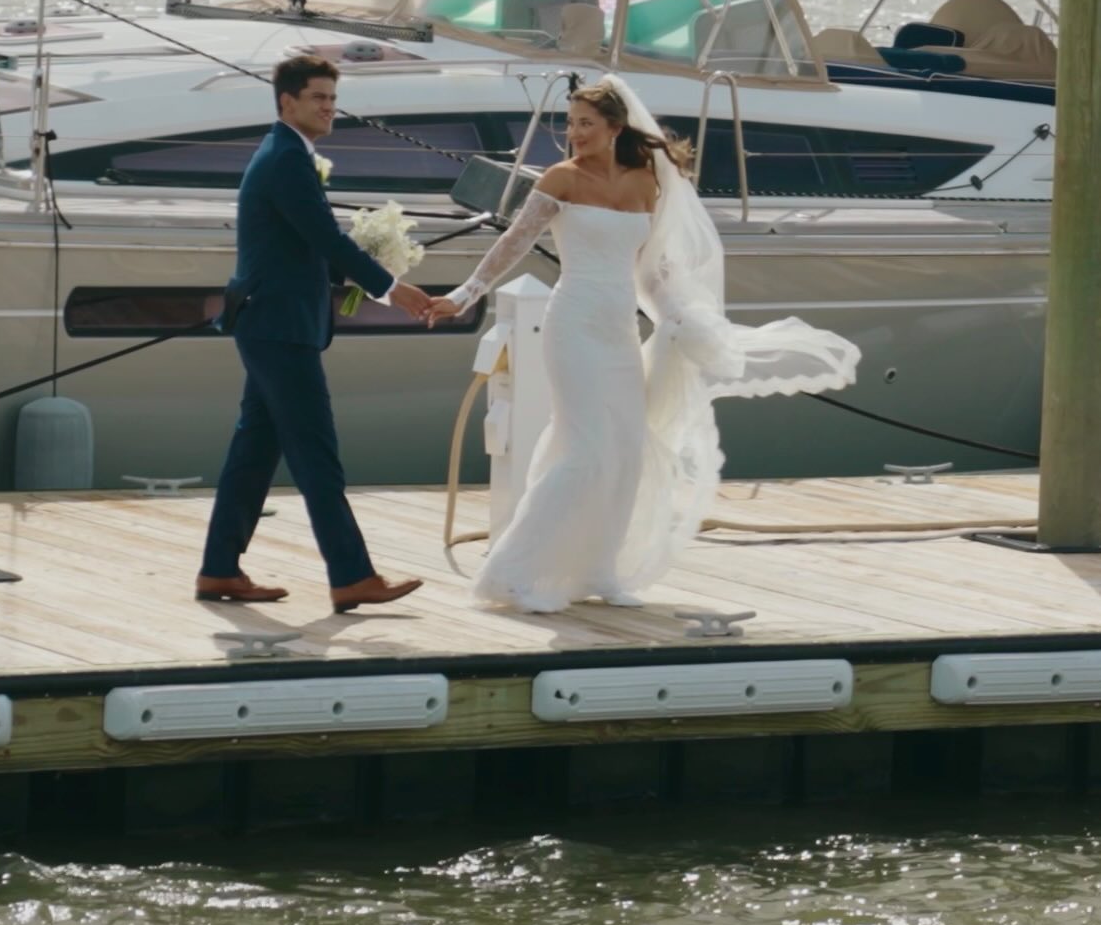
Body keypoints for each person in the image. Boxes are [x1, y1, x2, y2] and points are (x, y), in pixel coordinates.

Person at [426, 76, 861, 613]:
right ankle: (510, 573)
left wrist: (682, 318)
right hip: (574, 324)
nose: (575, 133)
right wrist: (466, 292)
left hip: (619, 329)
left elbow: (649, 271)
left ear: (614, 128)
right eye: (571, 123)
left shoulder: (643, 184)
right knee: (585, 452)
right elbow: (514, 241)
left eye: (586, 123)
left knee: (627, 450)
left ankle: (599, 569)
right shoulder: (560, 179)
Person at [197, 53, 432, 612]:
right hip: (279, 329)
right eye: (319, 98)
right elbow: (327, 238)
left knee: (255, 452)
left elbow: (303, 243)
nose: (330, 108)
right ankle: (351, 576)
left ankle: (219, 569)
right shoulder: (284, 159)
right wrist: (390, 288)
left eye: (333, 98)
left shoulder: (287, 155)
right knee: (315, 454)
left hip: (274, 324)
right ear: (287, 102)